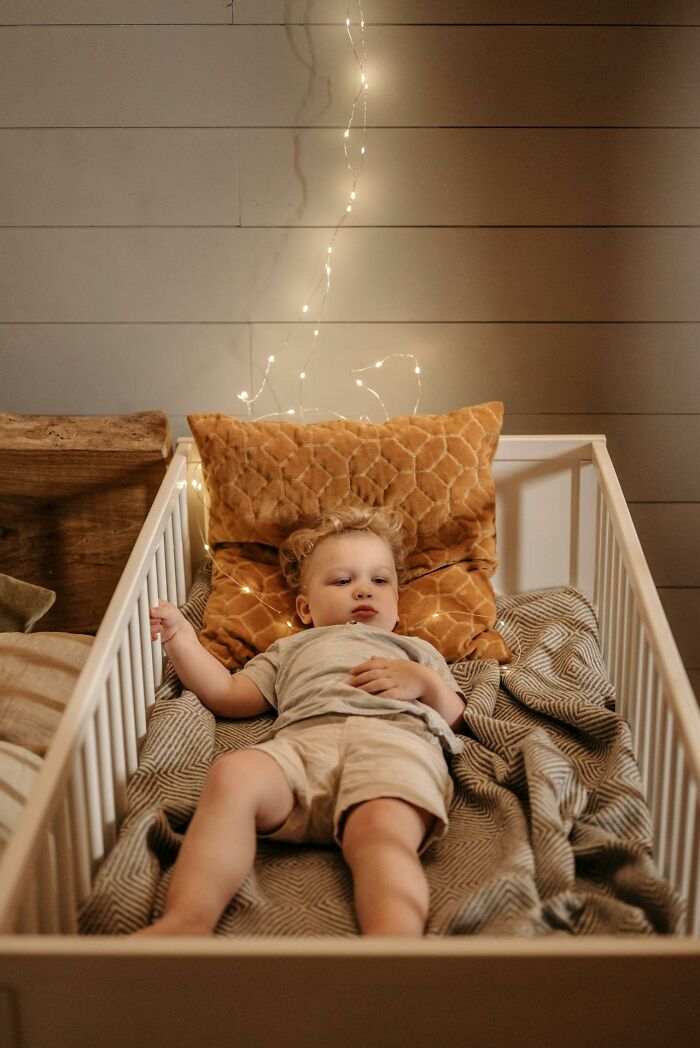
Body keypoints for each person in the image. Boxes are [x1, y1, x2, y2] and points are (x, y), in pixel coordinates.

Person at [139, 507, 466, 937]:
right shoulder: (290, 648)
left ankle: (393, 945)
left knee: (381, 833)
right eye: (343, 580)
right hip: (304, 744)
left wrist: (423, 682)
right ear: (305, 608)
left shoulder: (414, 650)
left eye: (379, 580)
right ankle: (187, 920)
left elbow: (455, 717)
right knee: (233, 773)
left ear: (397, 604)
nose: (363, 590)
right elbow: (227, 694)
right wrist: (181, 639)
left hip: (393, 745)